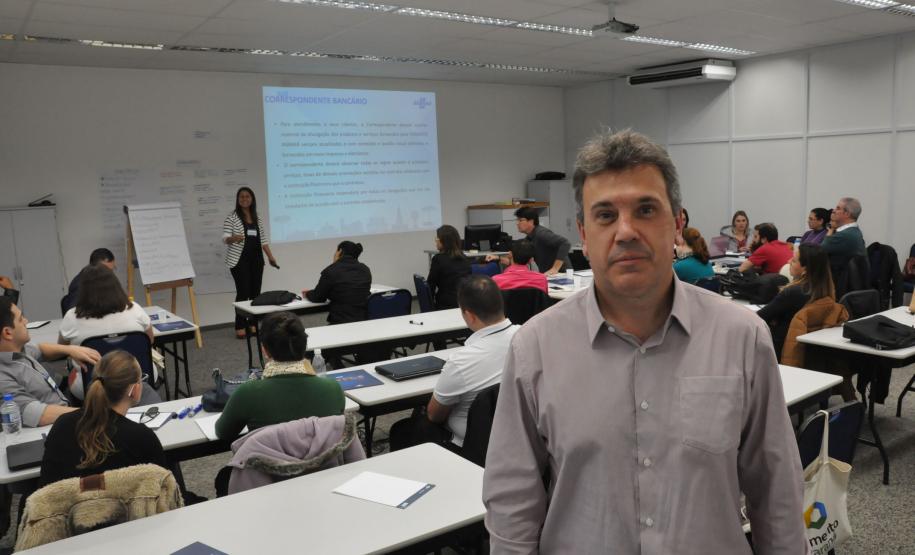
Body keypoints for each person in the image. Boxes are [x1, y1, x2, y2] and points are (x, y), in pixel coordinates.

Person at [482, 130, 804, 553]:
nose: (626, 231)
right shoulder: (535, 347)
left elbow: (776, 488)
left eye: (646, 209)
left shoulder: (741, 337)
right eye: (605, 215)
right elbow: (512, 501)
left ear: (677, 223)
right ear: (583, 230)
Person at [389, 275, 519, 451]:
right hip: (519, 437)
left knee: (402, 430)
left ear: (469, 315)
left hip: (472, 446)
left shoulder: (461, 361)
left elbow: (434, 416)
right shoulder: (529, 338)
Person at [38, 350, 168, 487]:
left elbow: (46, 487)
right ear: (134, 390)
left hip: (68, 507)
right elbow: (163, 489)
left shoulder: (62, 424)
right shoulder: (141, 437)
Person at [215, 311, 344, 441]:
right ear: (305, 346)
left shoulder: (247, 394)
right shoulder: (333, 389)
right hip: (323, 461)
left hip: (268, 461)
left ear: (265, 350)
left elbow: (222, 433)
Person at [0, 298, 100, 427]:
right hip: (54, 424)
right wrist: (94, 414)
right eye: (20, 319)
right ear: (8, 333)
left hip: (64, 410)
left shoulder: (16, 350)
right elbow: (40, 415)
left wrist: (70, 349)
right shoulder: (3, 378)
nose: (26, 321)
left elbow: (41, 349)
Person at [757, 244, 834, 357]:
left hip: (778, 347)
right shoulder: (825, 290)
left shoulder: (793, 292)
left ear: (805, 269)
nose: (788, 261)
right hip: (806, 350)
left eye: (793, 260)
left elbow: (759, 317)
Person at [223, 187, 279, 339]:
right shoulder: (232, 217)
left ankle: (253, 324)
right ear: (238, 199)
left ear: (252, 199)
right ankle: (240, 325)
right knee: (243, 293)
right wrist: (233, 238)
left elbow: (263, 240)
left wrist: (270, 257)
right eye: (241, 197)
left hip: (256, 259)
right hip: (239, 260)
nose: (244, 199)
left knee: (255, 293)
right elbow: (225, 238)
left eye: (247, 196)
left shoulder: (257, 217)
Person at [58, 264, 154, 346]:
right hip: (136, 367)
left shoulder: (72, 317)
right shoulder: (134, 309)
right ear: (115, 285)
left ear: (83, 290)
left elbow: (62, 349)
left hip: (94, 368)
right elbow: (150, 341)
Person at [302, 241, 372, 324]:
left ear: (339, 252)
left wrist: (307, 294)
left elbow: (318, 297)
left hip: (340, 322)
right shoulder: (365, 269)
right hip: (364, 320)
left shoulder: (331, 270)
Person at [514, 206, 571, 275]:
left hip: (562, 274)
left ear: (531, 221)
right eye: (517, 220)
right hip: (549, 274)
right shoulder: (529, 237)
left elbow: (565, 243)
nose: (517, 223)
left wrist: (555, 268)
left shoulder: (541, 234)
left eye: (521, 220)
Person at [427, 225, 471, 310]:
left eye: (437, 239)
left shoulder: (438, 259)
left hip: (445, 306)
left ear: (444, 241)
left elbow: (430, 285)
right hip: (465, 304)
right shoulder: (465, 258)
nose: (436, 242)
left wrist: (430, 309)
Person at [60, 248, 116, 315]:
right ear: (95, 267)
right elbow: (73, 314)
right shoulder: (80, 284)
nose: (110, 274)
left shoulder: (101, 281)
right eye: (107, 270)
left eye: (112, 270)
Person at [821, 196, 866, 263]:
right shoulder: (853, 231)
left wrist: (831, 229)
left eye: (838, 208)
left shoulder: (845, 235)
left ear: (847, 214)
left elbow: (819, 252)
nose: (833, 211)